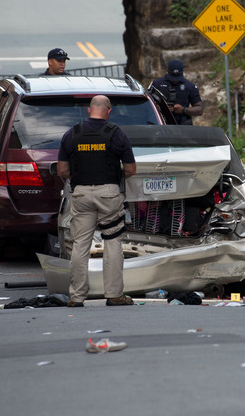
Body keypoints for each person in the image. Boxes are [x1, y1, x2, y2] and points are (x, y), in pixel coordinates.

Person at [57, 95, 137, 307]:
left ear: (88, 110)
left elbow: (62, 170)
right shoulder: (116, 133)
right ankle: (114, 295)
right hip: (109, 194)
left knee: (80, 244)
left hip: (81, 194)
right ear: (108, 111)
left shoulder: (71, 134)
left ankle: (76, 296)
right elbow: (130, 169)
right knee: (112, 242)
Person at [149, 59, 203, 125]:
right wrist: (159, 108)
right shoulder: (156, 84)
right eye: (172, 78)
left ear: (182, 72)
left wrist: (183, 110)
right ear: (167, 70)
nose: (174, 81)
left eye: (177, 78)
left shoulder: (190, 86)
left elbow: (199, 110)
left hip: (182, 125)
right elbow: (147, 104)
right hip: (161, 123)